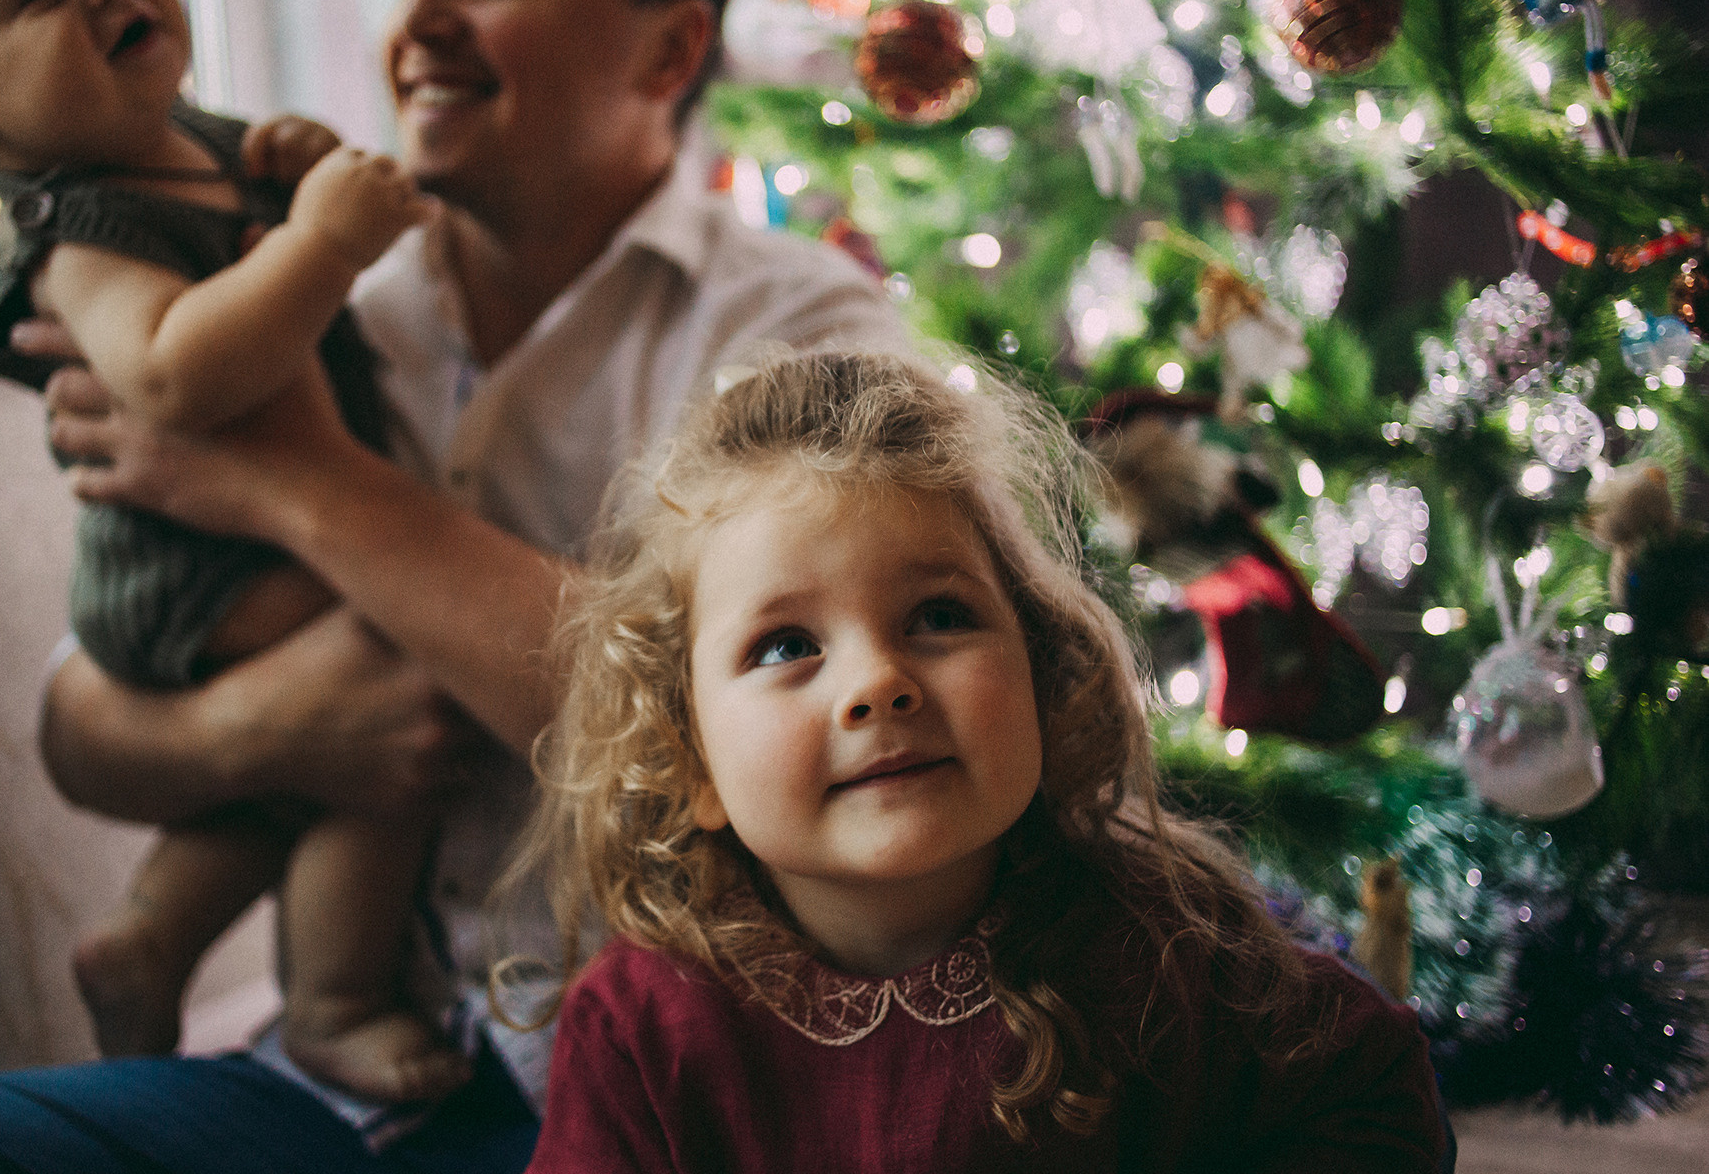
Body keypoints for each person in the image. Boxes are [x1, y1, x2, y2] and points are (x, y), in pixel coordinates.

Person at [0, 0, 905, 1169]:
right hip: (334, 1077)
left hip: (670, 1093)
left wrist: (300, 484)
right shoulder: (294, 290)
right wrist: (258, 735)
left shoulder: (805, 342)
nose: (418, 22)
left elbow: (752, 739)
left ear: (670, 48)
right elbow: (85, 721)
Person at [0, 0, 468, 1104]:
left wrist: (292, 160)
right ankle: (336, 999)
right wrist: (324, 239)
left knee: (312, 750)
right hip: (190, 565)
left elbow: (258, 221)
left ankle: (152, 934)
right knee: (394, 694)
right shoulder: (78, 225)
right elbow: (171, 375)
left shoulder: (181, 141)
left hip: (241, 544)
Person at [514, 349, 1451, 1172]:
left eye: (939, 617)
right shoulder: (641, 1029)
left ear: (1042, 676)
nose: (878, 683)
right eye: (783, 646)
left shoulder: (1167, 950)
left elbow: (1372, 1089)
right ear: (691, 763)